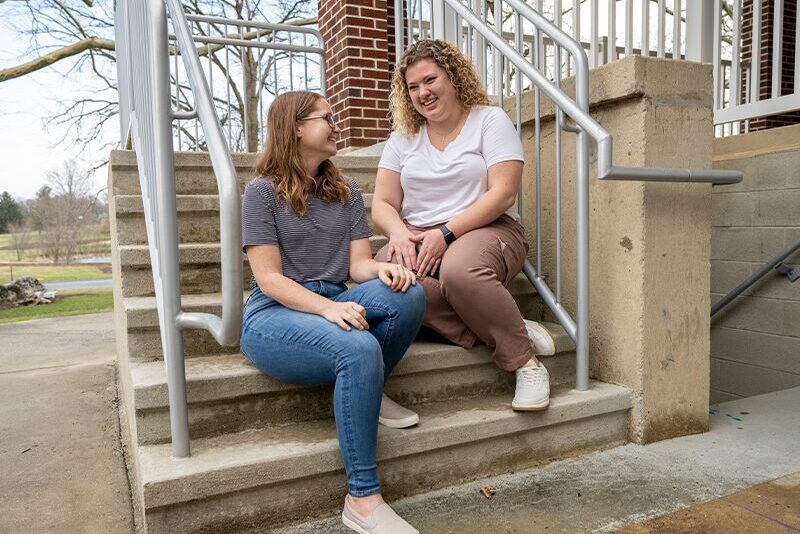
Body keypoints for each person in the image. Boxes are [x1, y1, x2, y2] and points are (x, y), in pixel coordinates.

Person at [239, 91, 424, 534]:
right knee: (358, 347)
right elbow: (270, 280)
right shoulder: (261, 193)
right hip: (274, 314)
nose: (335, 125)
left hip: (333, 298)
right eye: (326, 118)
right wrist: (327, 309)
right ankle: (362, 499)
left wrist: (384, 270)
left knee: (410, 296)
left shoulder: (345, 191)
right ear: (297, 128)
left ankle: (368, 388)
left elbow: (357, 267)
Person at [371, 39, 556, 412]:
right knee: (381, 279)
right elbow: (383, 203)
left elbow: (503, 193)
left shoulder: (489, 121)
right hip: (419, 233)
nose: (423, 92)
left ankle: (525, 362)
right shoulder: (402, 138)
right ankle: (503, 324)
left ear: (453, 77)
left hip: (487, 229)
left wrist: (447, 234)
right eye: (413, 87)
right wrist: (399, 233)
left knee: (459, 271)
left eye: (430, 80)